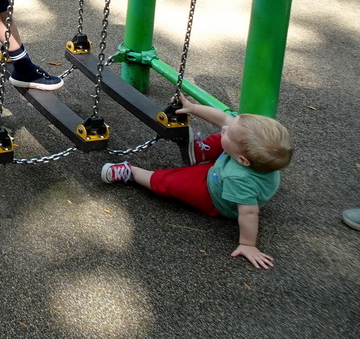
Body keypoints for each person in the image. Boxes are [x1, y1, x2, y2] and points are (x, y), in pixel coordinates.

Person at [101, 92, 293, 269]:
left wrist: (247, 244)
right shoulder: (253, 157)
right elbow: (224, 119)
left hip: (212, 193)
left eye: (229, 130)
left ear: (243, 161)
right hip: (226, 168)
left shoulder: (239, 179)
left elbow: (249, 212)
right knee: (229, 138)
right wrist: (193, 108)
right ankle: (200, 152)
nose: (224, 127)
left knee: (169, 183)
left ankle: (131, 172)